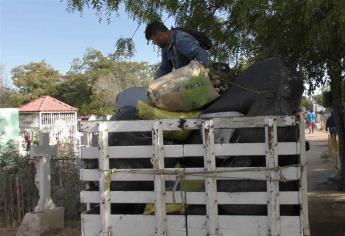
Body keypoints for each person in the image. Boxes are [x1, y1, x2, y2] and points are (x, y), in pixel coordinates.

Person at [145, 21, 211, 79]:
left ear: (158, 35)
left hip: (199, 80)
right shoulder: (165, 47)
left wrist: (206, 76)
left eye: (153, 40)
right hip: (188, 81)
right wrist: (155, 85)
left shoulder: (180, 40)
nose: (154, 43)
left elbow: (202, 55)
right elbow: (164, 68)